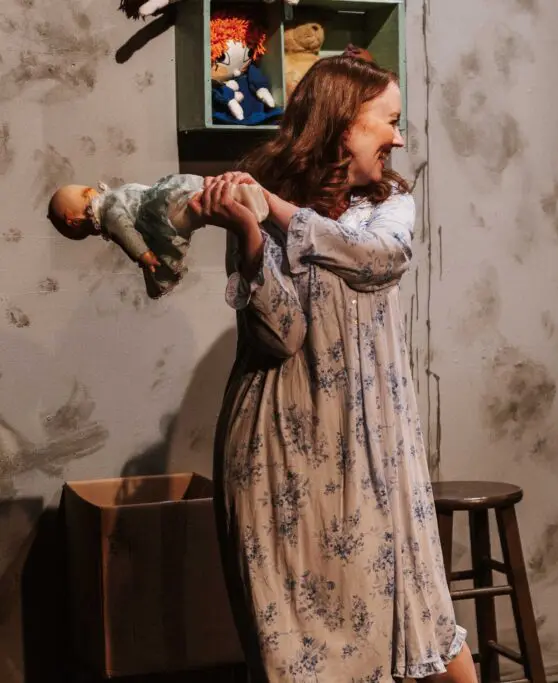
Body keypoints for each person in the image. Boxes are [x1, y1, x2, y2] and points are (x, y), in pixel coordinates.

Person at [190, 54, 478, 683]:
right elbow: (280, 335)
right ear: (346, 123)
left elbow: (378, 259)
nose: (398, 136)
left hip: (373, 437)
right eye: (389, 121)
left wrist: (276, 211)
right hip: (283, 439)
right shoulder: (260, 204)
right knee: (299, 648)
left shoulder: (389, 204)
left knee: (421, 616)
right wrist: (250, 239)